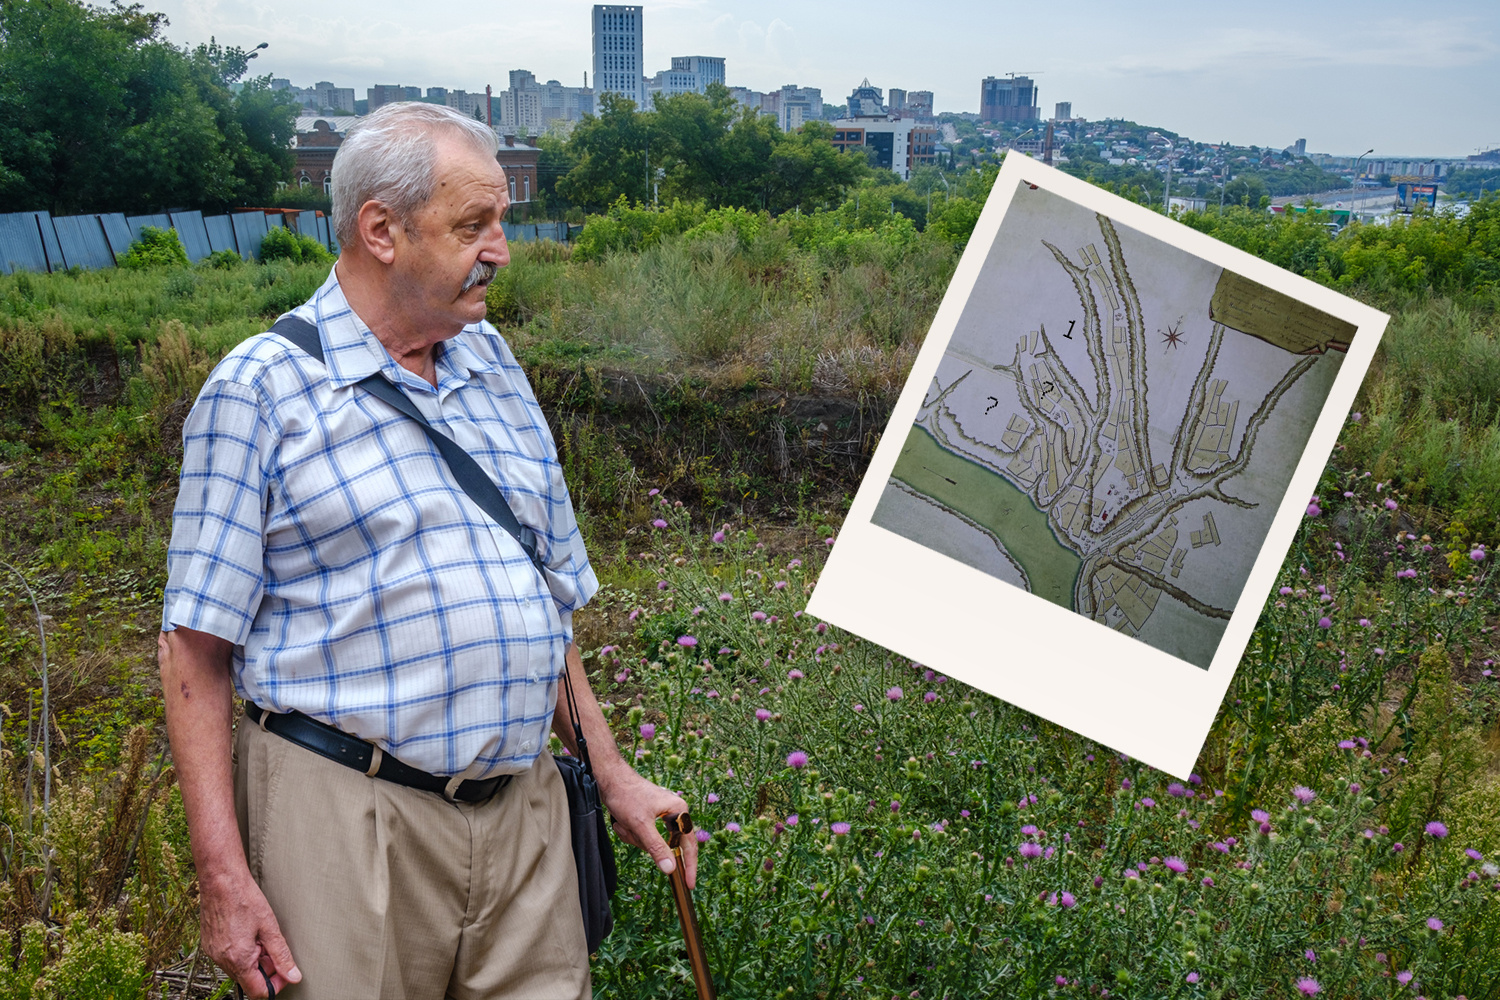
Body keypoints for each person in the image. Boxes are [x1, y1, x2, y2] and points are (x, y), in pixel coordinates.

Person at [158, 101, 696, 1000]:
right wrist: (223, 879)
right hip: (348, 819)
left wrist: (610, 771)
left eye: (501, 223)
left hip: (525, 817)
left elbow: (544, 595)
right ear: (381, 230)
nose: (501, 249)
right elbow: (194, 653)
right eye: (472, 225)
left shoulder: (493, 364)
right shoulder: (259, 391)